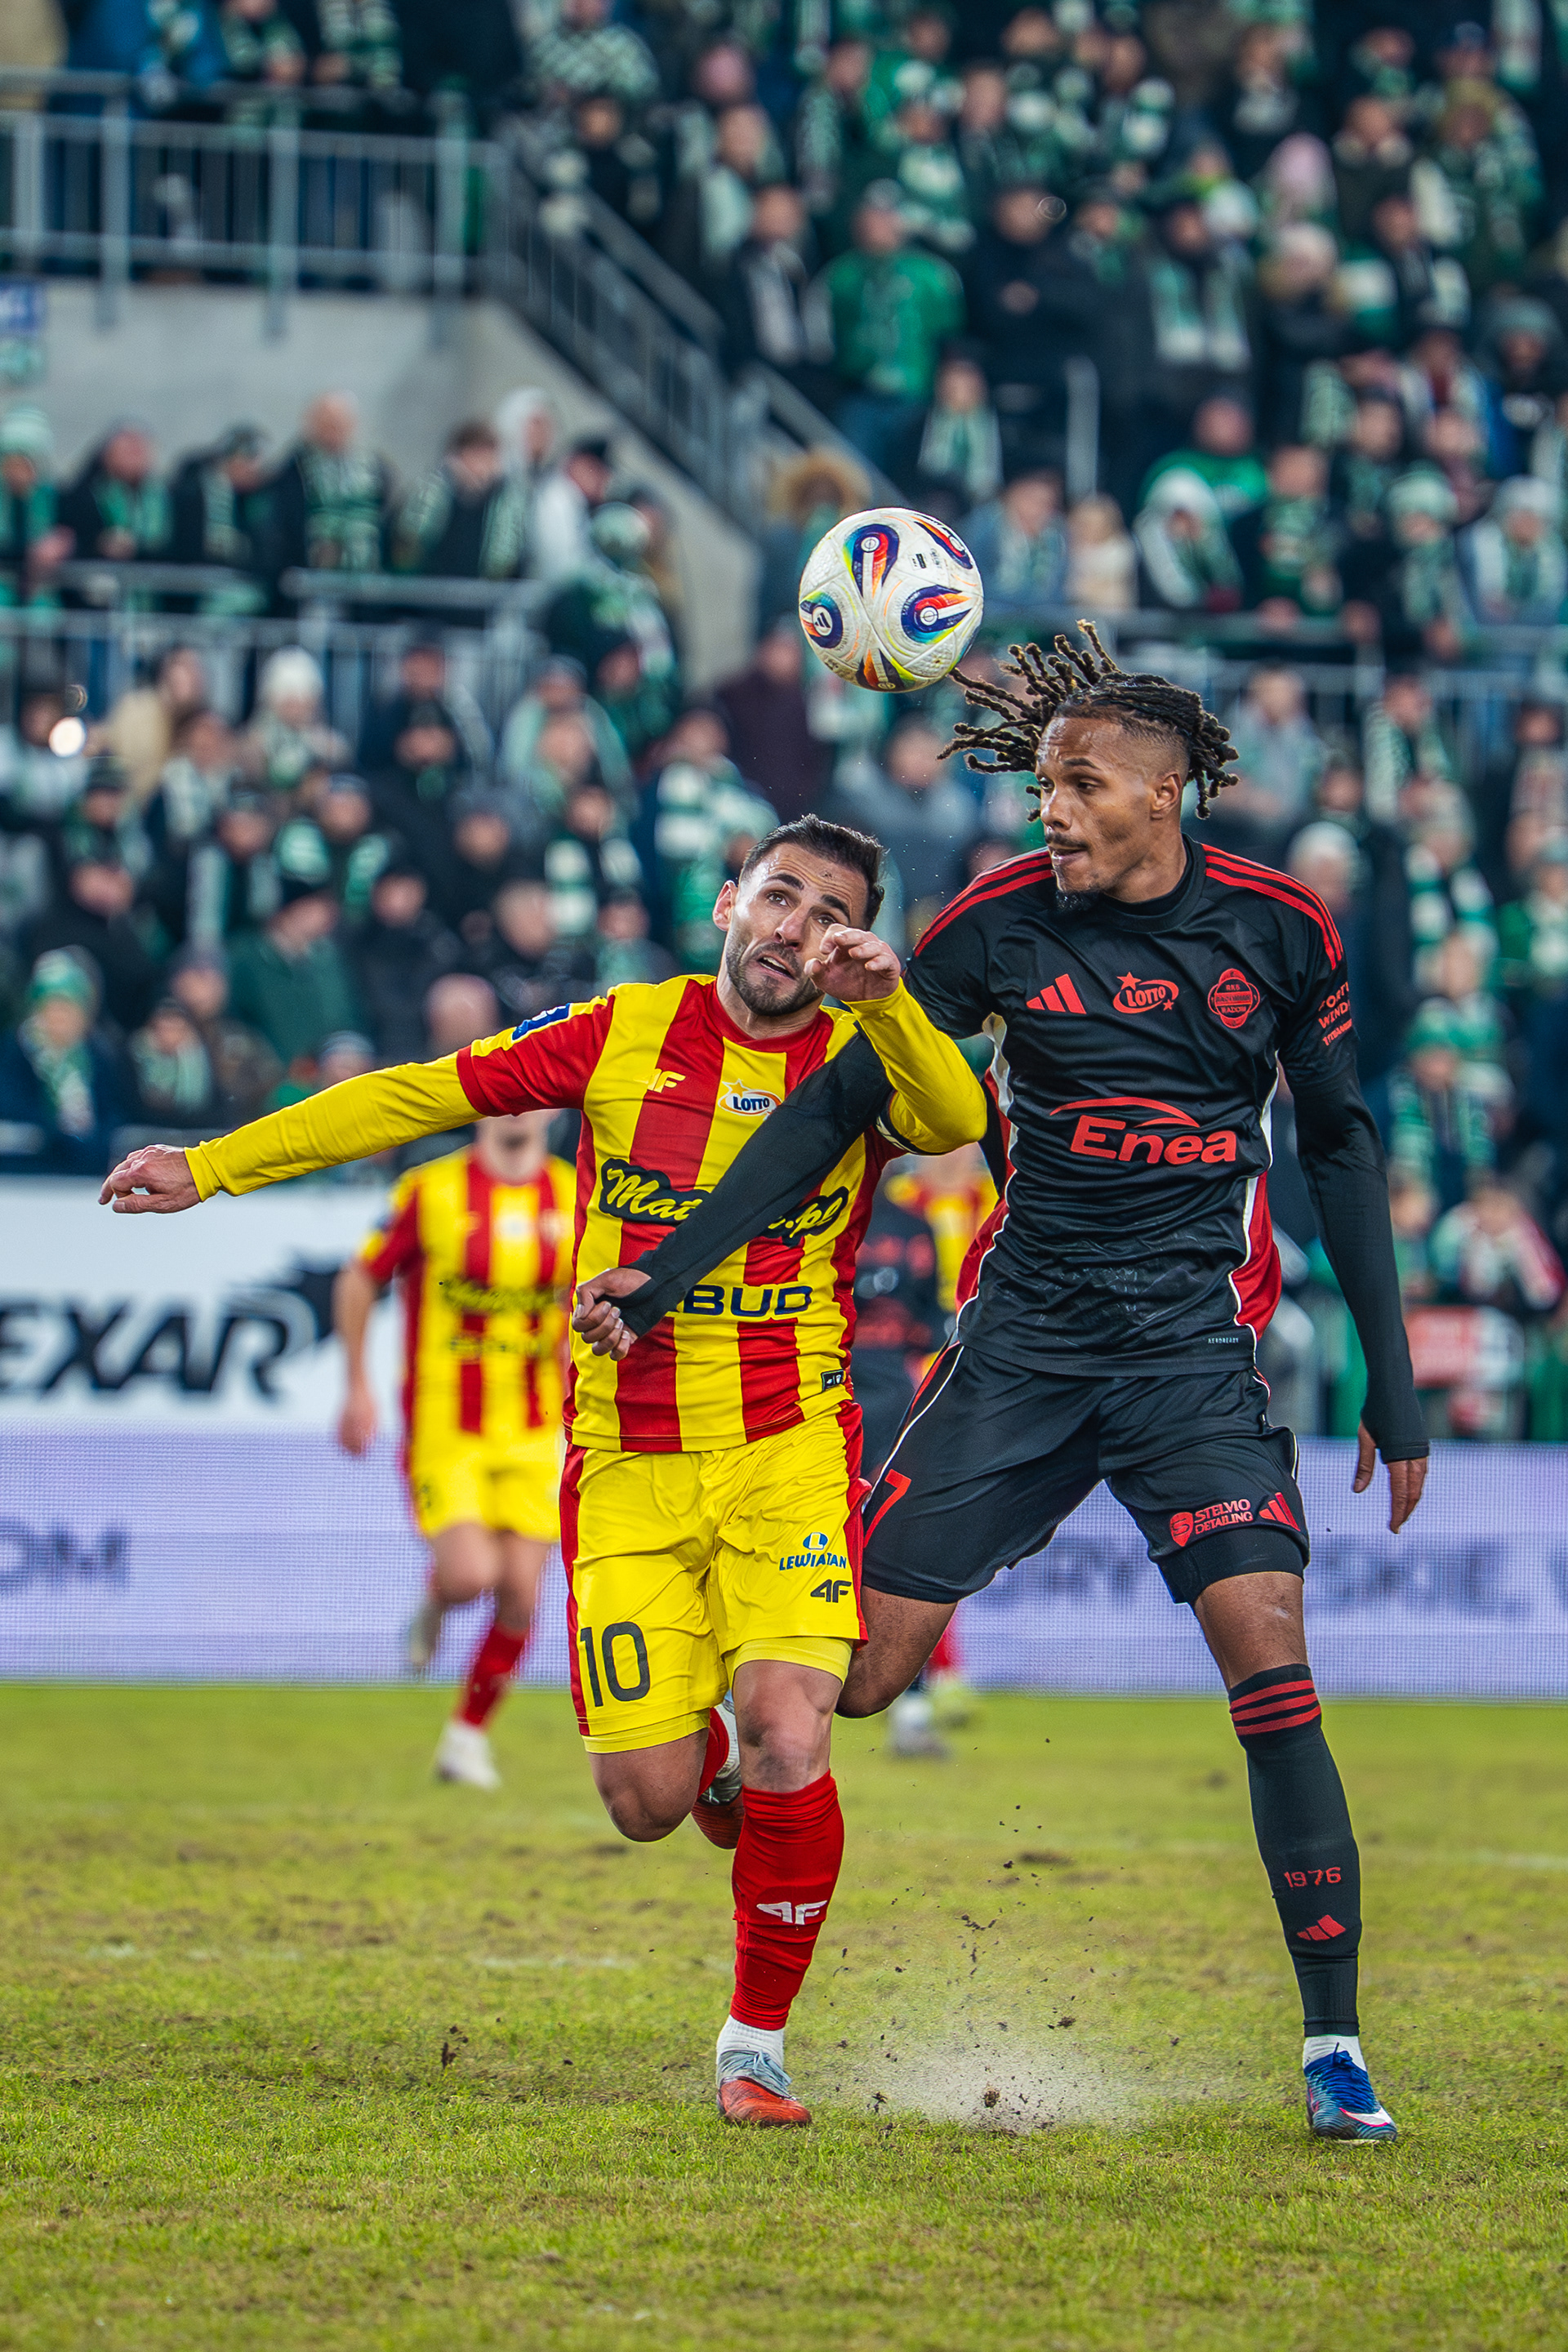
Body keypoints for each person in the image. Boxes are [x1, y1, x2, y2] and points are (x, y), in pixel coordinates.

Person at [600, 626, 1429, 2147]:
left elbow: (1340, 1142)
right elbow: (834, 1112)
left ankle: (1334, 2048)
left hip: (1188, 1357)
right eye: (1045, 781)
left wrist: (1393, 1373)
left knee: (1272, 1665)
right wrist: (671, 1268)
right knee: (859, 1681)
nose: (1050, 807)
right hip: (1023, 1349)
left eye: (1081, 782)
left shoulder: (1282, 930)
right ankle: (723, 1756)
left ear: (1166, 794)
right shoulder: (997, 924)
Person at [100, 813, 987, 2132]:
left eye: (831, 915)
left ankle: (754, 2048)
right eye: (780, 897)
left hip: (790, 1445)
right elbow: (418, 1093)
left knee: (795, 1723)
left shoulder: (865, 1055)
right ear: (730, 902)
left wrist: (891, 999)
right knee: (647, 1802)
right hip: (624, 1459)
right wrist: (215, 1166)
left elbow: (959, 1115)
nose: (796, 928)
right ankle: (713, 1761)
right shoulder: (625, 1030)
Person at [334, 1109, 576, 1790]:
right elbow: (359, 1278)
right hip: (447, 1425)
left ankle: (466, 1738)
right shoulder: (432, 1190)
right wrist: (356, 1385)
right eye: (506, 1091)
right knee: (472, 1576)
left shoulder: (575, 1194)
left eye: (533, 1094)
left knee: (521, 1594)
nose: (519, 1106)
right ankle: (438, 1598)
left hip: (536, 1428)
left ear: (554, 1107)